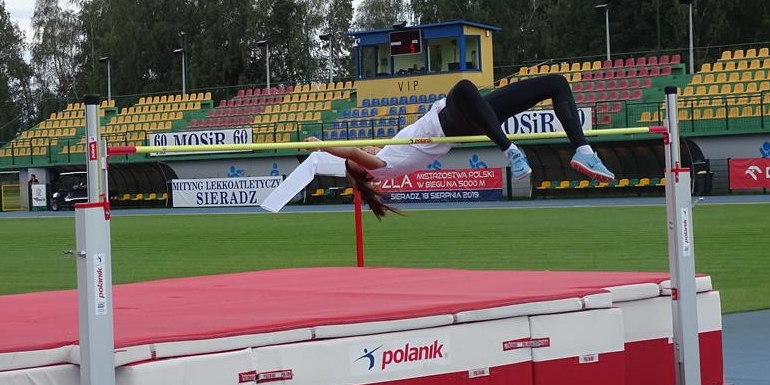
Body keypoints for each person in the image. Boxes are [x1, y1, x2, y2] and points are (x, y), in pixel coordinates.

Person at [261, 75, 614, 218]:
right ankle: (510, 152)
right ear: (362, 168)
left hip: (468, 117)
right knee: (463, 88)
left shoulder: (384, 159)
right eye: (363, 152)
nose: (366, 146)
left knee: (556, 83)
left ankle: (583, 151)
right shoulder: (382, 165)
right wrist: (322, 146)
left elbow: (355, 155)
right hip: (451, 121)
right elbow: (353, 154)